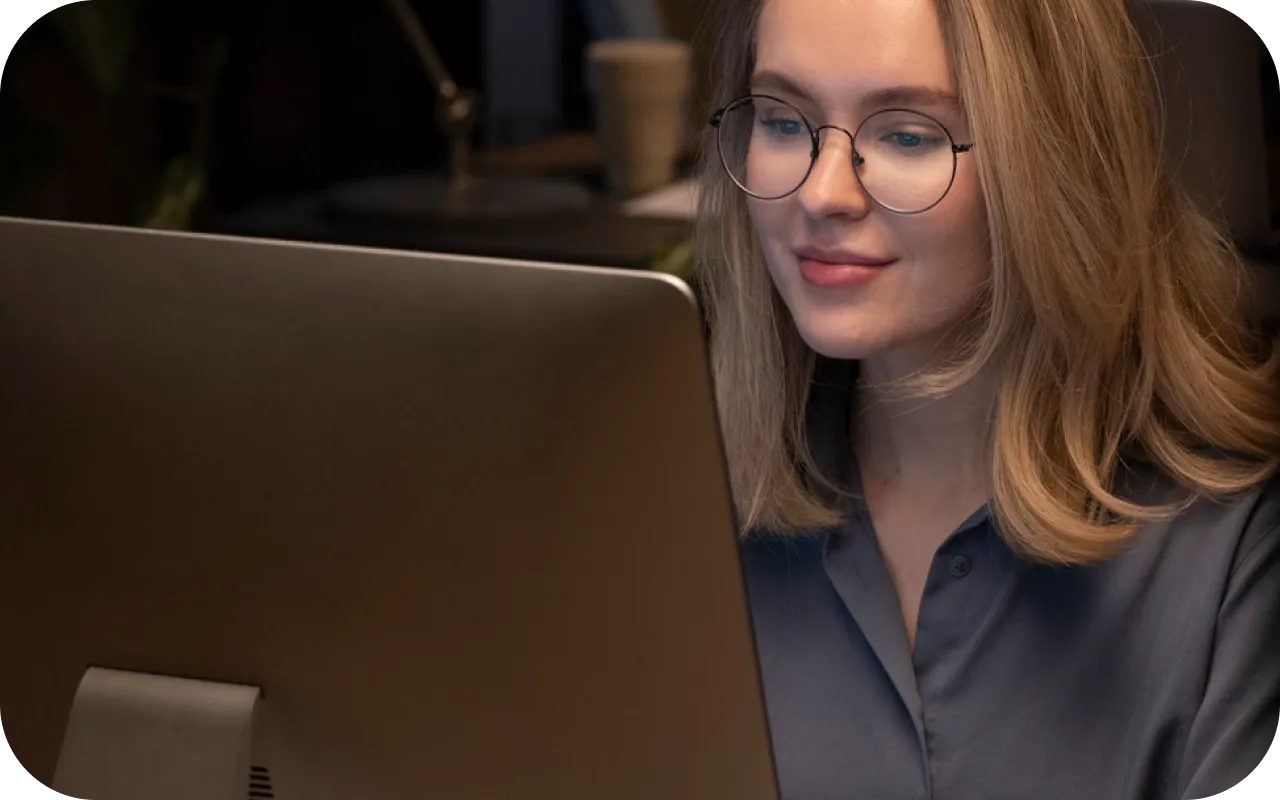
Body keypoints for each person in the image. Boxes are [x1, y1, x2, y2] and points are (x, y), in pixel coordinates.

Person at [694, 0, 1280, 798]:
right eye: (782, 120)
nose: (823, 193)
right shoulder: (680, 514)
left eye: (906, 134)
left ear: (1055, 162)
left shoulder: (1235, 553)